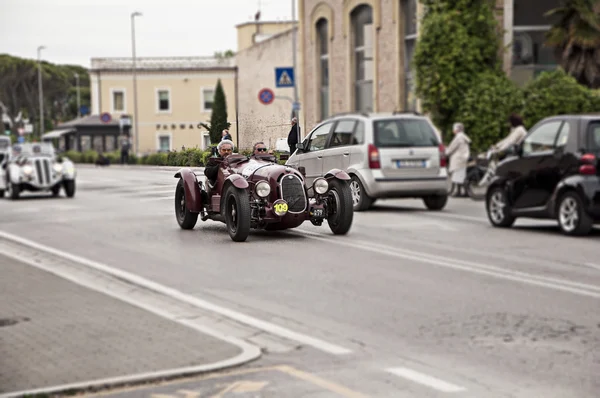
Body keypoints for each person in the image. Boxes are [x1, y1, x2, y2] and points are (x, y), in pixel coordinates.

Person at [445, 122, 471, 197]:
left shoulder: (458, 137)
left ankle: (459, 192)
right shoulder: (463, 136)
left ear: (456, 129)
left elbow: (451, 147)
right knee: (460, 176)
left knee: (458, 176)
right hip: (463, 158)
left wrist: (446, 153)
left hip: (458, 159)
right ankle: (463, 192)